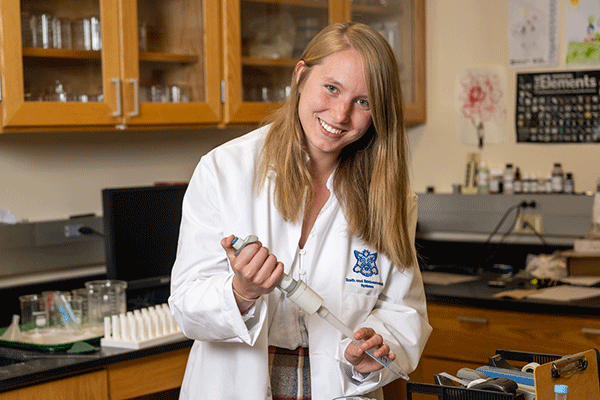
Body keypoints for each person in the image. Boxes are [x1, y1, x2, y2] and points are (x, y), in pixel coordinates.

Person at [169, 21, 431, 400]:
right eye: (331, 88)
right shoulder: (225, 171)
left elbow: (404, 311)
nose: (340, 114)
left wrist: (376, 345)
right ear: (301, 76)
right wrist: (241, 291)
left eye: (364, 101)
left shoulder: (390, 196)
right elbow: (186, 308)